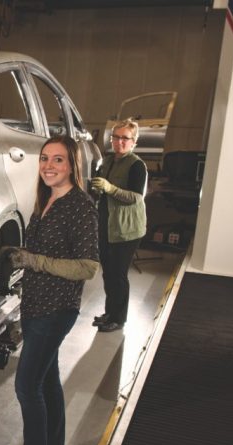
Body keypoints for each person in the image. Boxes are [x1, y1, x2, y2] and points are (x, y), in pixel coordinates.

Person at [0, 136, 99, 445]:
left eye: (58, 160)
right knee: (48, 382)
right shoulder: (46, 201)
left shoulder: (79, 206)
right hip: (36, 304)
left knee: (27, 386)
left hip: (55, 309)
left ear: (72, 165)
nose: (49, 166)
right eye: (44, 159)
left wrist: (34, 260)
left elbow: (87, 267)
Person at [90, 118, 148, 332]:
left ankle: (119, 318)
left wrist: (110, 188)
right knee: (108, 273)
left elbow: (135, 197)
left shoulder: (136, 165)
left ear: (133, 142)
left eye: (125, 138)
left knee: (118, 275)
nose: (120, 142)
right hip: (107, 226)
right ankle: (109, 313)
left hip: (127, 231)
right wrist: (97, 188)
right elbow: (101, 189)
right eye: (116, 137)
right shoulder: (108, 161)